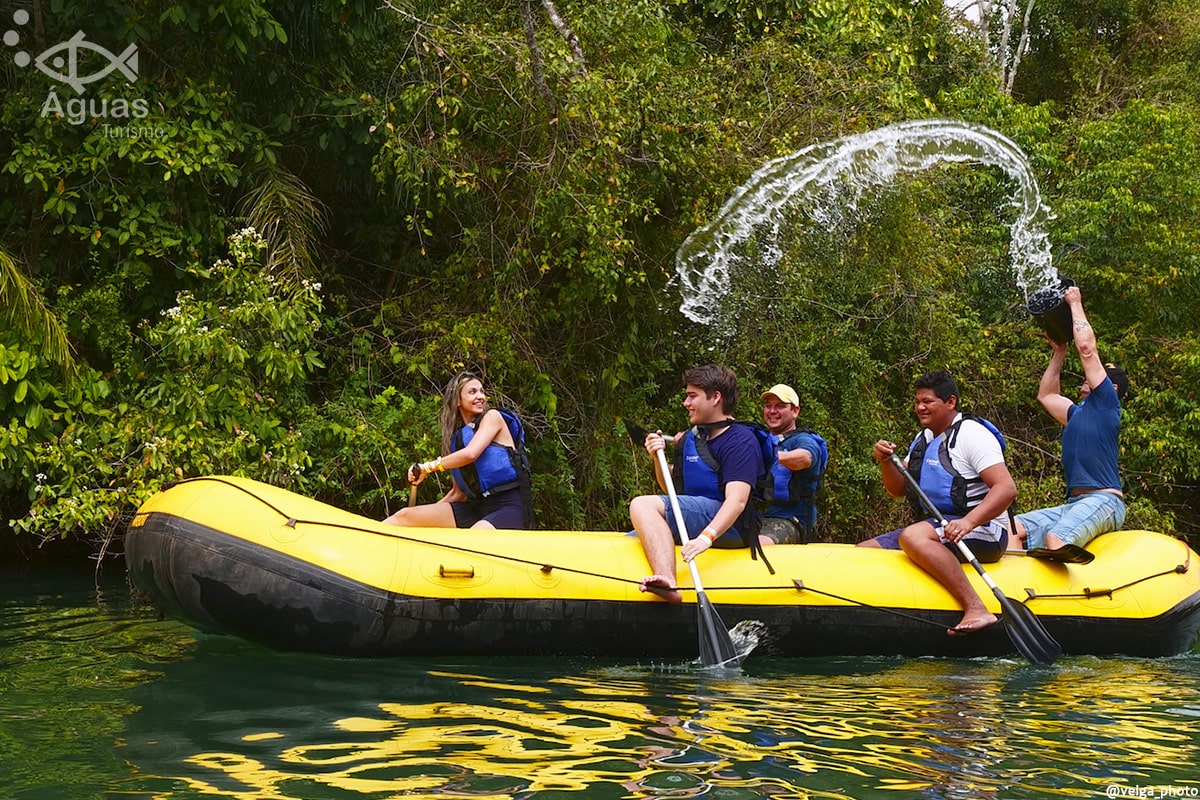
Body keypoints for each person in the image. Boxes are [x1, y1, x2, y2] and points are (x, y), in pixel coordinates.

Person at [859, 369, 1017, 636]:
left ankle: (976, 608)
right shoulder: (924, 439)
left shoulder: (972, 435)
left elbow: (1006, 489)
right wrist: (886, 462)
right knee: (864, 550)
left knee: (914, 537)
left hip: (985, 529)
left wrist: (968, 522)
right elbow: (897, 489)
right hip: (940, 526)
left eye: (928, 401)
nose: (920, 407)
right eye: (917, 401)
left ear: (950, 402)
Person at [1010, 286, 1128, 563]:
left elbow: (1086, 349)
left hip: (1105, 502)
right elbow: (1047, 396)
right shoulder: (1077, 413)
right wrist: (1059, 352)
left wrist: (1075, 302)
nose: (1087, 377)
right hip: (1075, 504)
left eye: (1096, 376)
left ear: (1111, 387)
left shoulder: (1107, 404)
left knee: (1056, 540)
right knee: (1010, 529)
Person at [630, 365, 767, 603]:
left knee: (642, 505)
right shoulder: (691, 438)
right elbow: (670, 491)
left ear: (715, 398)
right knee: (633, 538)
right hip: (699, 515)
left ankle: (667, 580)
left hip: (732, 525)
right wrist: (656, 458)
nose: (686, 403)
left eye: (692, 396)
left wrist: (706, 538)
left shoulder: (740, 441)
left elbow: (737, 501)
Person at [383, 372, 533, 530]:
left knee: (476, 533)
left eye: (482, 391)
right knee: (405, 516)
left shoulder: (492, 417)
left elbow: (471, 454)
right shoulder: (458, 440)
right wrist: (426, 518)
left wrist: (427, 467)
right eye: (472, 392)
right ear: (457, 401)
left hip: (510, 506)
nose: (480, 396)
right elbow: (457, 494)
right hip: (478, 508)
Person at [759, 384, 828, 545]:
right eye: (768, 406)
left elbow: (805, 458)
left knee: (759, 544)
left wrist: (770, 456)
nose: (772, 411)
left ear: (795, 411)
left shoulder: (803, 440)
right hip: (757, 517)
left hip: (792, 520)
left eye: (780, 406)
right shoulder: (761, 439)